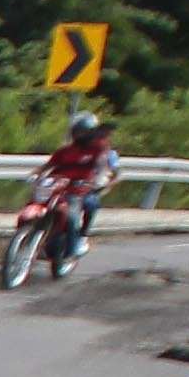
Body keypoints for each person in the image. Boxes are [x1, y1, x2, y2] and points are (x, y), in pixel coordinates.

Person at [37, 108, 121, 265]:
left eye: (82, 131)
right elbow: (50, 165)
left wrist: (101, 183)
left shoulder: (101, 150)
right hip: (63, 187)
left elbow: (109, 171)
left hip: (85, 189)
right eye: (77, 131)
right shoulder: (66, 151)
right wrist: (37, 175)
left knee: (88, 204)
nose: (79, 135)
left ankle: (79, 239)